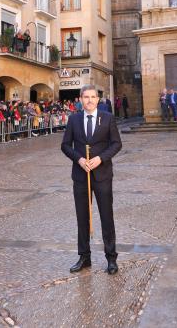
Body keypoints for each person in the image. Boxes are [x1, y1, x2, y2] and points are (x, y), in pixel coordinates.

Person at [61, 84, 122, 275]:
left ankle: (111, 258)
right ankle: (84, 257)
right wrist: (79, 159)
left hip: (102, 175)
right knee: (82, 217)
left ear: (98, 99)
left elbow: (116, 144)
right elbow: (65, 145)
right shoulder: (74, 119)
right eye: (85, 97)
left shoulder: (108, 118)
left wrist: (100, 158)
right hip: (80, 176)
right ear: (80, 100)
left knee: (106, 217)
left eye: (92, 97)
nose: (89, 100)